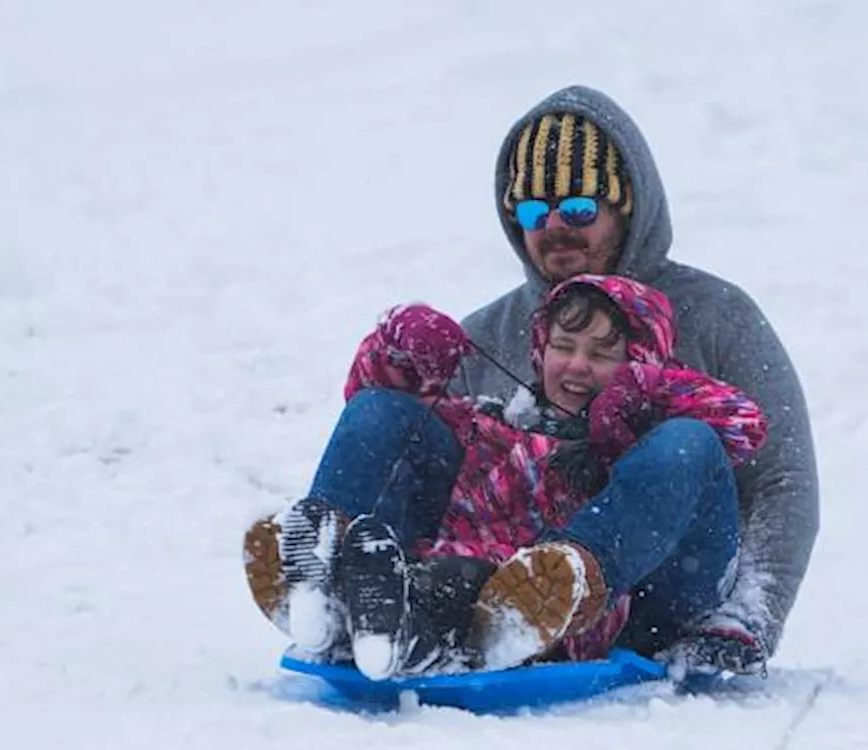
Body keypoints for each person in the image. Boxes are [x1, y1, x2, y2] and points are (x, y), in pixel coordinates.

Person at [454, 85, 820, 677]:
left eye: (578, 210)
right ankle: (360, 593)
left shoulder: (717, 316)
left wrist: (751, 615)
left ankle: (575, 574)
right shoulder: (485, 337)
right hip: (511, 603)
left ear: (628, 208)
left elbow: (784, 478)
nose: (554, 228)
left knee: (685, 443)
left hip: (667, 598)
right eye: (532, 212)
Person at [243, 274, 768, 680]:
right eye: (565, 347)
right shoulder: (491, 421)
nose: (578, 366)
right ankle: (321, 575)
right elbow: (374, 405)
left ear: (638, 362)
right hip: (473, 591)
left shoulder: (648, 435)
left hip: (626, 600)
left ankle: (569, 578)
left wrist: (648, 395)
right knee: (384, 409)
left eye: (604, 355)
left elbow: (744, 425)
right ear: (540, 351)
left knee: (690, 444)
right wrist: (397, 343)